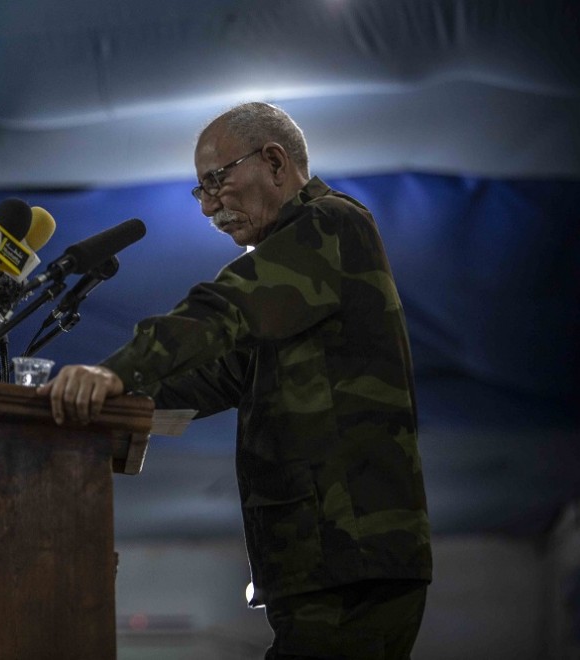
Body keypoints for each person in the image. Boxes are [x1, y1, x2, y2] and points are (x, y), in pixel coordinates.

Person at [41, 102, 432, 658]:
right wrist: (114, 407)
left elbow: (226, 308)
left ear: (274, 161)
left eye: (215, 182)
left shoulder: (331, 225)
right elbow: (217, 375)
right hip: (332, 559)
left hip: (350, 558)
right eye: (199, 193)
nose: (208, 207)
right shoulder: (298, 289)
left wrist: (112, 371)